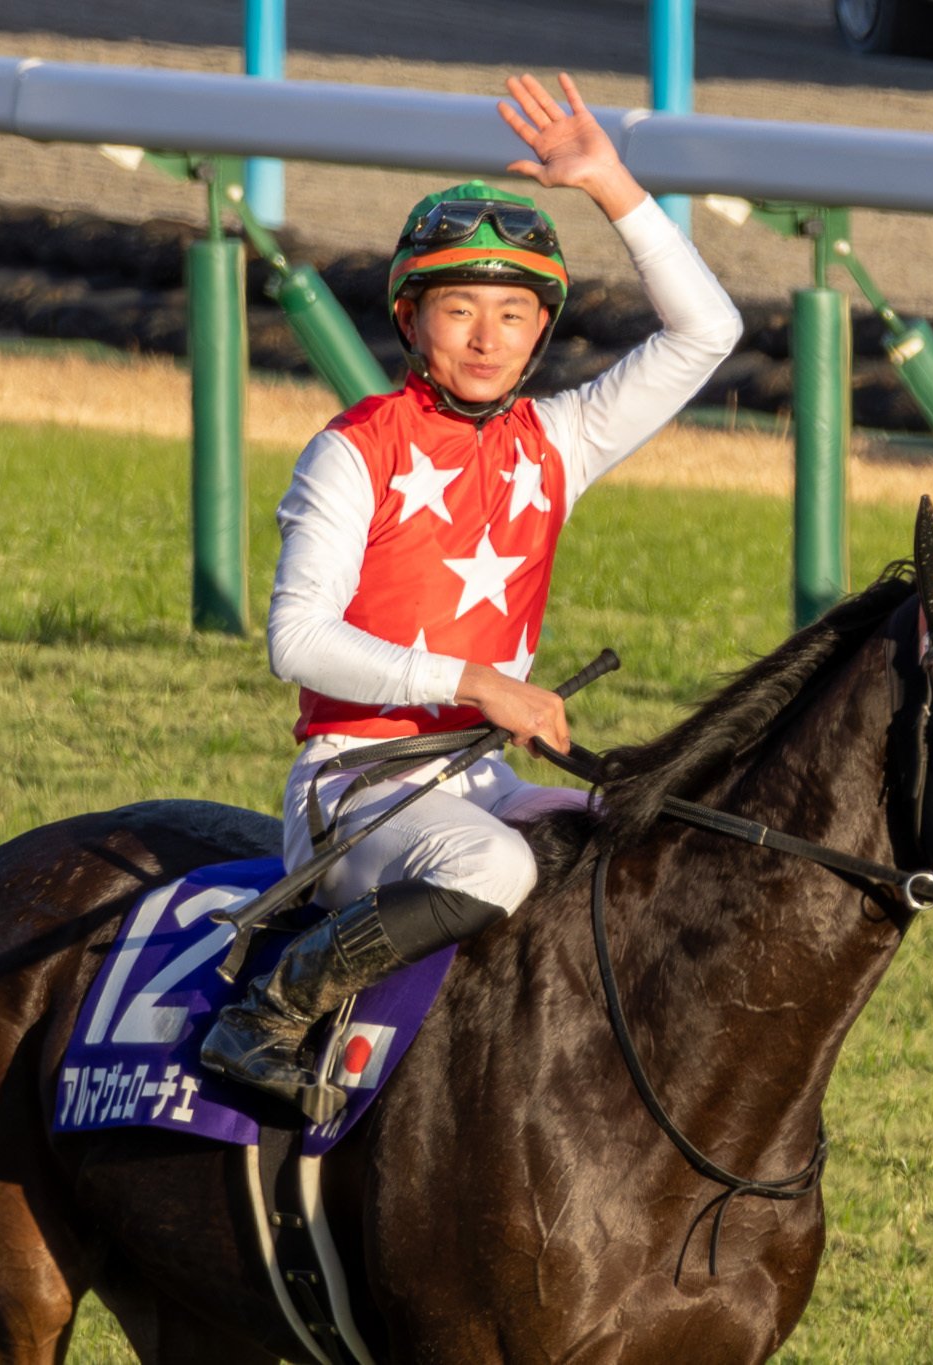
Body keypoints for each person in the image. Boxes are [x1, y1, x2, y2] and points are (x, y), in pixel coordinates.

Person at [201, 72, 743, 1118]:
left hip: (475, 780)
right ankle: (269, 1008)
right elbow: (296, 641)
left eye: (512, 312)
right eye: (460, 310)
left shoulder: (560, 441)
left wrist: (611, 185)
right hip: (353, 788)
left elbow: (704, 334)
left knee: (646, 844)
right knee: (494, 871)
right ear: (413, 320)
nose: (488, 339)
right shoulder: (350, 451)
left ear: (541, 329)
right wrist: (481, 685)